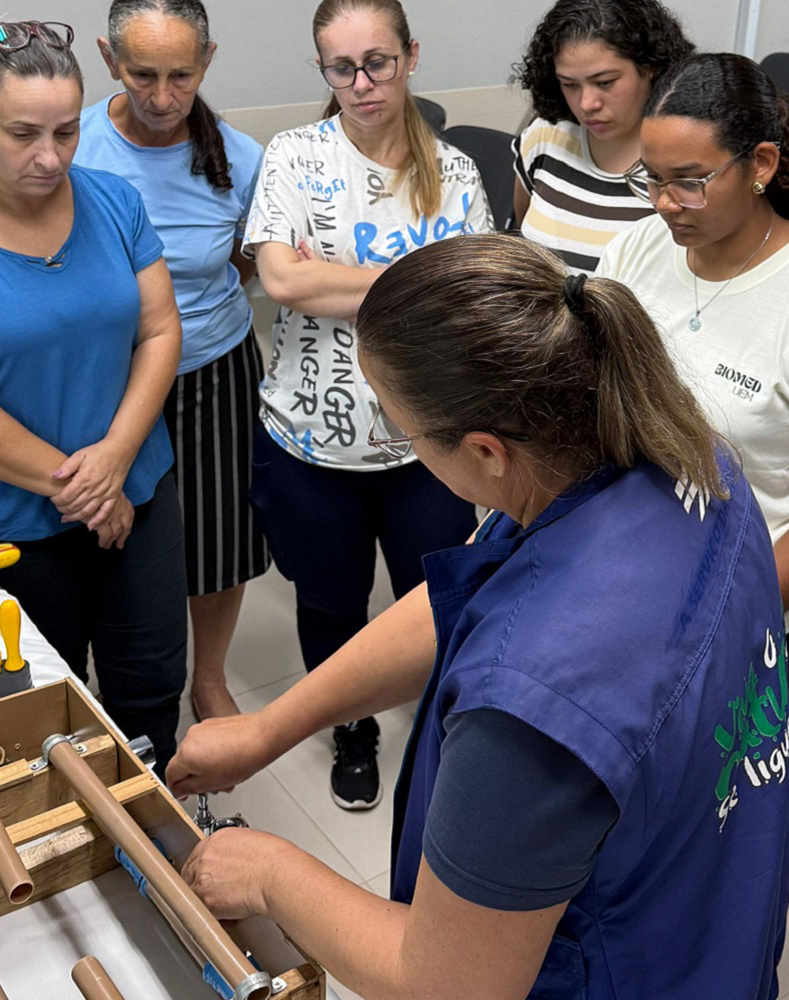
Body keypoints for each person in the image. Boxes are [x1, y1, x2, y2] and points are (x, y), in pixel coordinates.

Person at [167, 233, 789, 1000]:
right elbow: (474, 591)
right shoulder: (685, 457)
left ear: (487, 451)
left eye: (404, 431)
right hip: (709, 922)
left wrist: (269, 873)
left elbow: (447, 984)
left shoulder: (529, 717)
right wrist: (273, 726)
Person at [0, 18, 186, 767]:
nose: (51, 158)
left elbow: (160, 331)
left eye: (67, 132)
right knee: (38, 704)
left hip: (135, 494)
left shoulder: (112, 202)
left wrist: (114, 460)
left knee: (149, 686)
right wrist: (84, 490)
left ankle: (157, 832)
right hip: (7, 521)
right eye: (23, 134)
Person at [598, 52, 789, 730]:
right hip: (622, 586)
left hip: (742, 619)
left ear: (761, 164)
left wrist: (707, 624)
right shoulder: (636, 252)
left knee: (713, 820)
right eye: (651, 179)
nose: (665, 204)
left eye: (691, 182)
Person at [243, 0, 491, 811]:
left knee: (439, 598)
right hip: (310, 443)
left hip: (431, 442)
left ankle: (448, 721)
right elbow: (281, 282)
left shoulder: (454, 174)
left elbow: (473, 300)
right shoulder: (293, 156)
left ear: (411, 56)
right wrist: (420, 278)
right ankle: (353, 725)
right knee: (330, 601)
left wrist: (333, 280)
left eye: (376, 62)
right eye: (339, 68)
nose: (360, 83)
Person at [75, 0, 269, 722]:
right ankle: (101, 672)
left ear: (208, 62)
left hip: (212, 368)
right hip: (104, 377)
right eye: (142, 75)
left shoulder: (242, 160)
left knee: (218, 536)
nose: (162, 97)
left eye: (181, 76)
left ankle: (209, 676)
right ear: (107, 60)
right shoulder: (76, 145)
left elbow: (245, 261)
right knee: (104, 526)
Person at [510, 0, 693, 272]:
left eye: (605, 82)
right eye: (569, 85)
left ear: (651, 66)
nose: (587, 103)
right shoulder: (545, 138)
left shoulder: (685, 161)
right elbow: (521, 228)